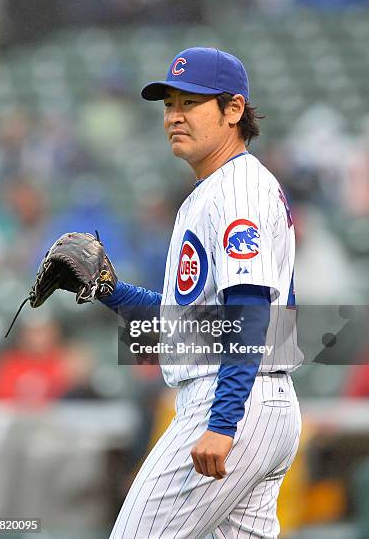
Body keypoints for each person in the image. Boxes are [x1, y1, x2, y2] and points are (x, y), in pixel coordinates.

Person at [99, 46, 303, 538]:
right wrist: (106, 289)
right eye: (169, 104)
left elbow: (250, 310)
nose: (174, 116)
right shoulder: (213, 190)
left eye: (191, 102)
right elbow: (191, 323)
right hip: (252, 397)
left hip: (233, 397)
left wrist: (224, 422)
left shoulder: (238, 193)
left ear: (233, 110)